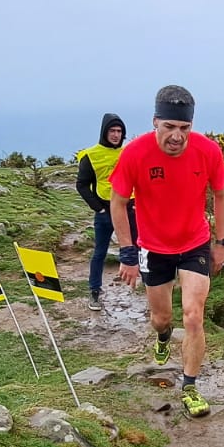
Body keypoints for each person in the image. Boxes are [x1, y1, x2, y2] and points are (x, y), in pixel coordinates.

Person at [108, 85, 224, 417]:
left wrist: (221, 243)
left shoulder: (207, 151)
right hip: (153, 247)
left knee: (193, 316)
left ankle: (189, 387)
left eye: (184, 129)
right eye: (170, 128)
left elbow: (221, 194)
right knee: (161, 318)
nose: (177, 136)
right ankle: (162, 338)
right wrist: (128, 252)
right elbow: (117, 203)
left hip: (194, 244)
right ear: (155, 122)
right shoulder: (134, 153)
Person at [75, 113, 137, 311]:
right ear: (104, 132)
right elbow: (82, 185)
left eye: (119, 131)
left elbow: (140, 179)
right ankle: (94, 291)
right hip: (105, 209)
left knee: (140, 248)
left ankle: (150, 287)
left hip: (130, 208)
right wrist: (99, 208)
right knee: (99, 252)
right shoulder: (90, 156)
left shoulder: (129, 152)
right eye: (112, 131)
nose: (116, 135)